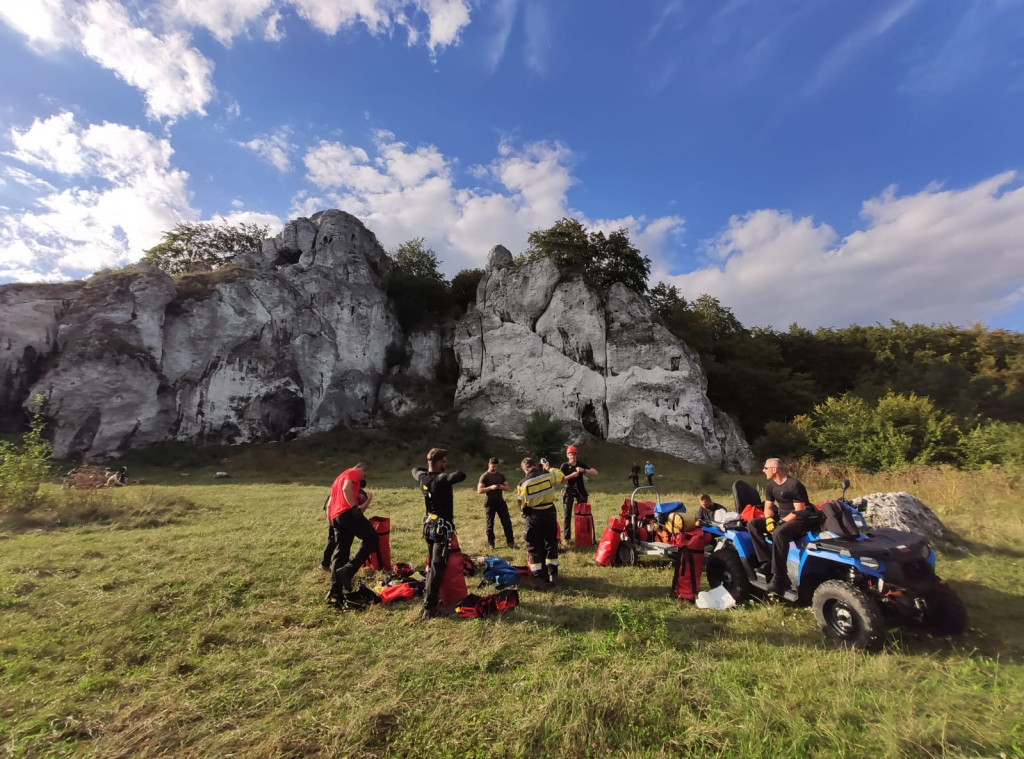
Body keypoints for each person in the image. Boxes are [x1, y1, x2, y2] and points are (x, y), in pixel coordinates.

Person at [747, 458, 814, 596]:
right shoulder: (771, 486)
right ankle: (767, 561)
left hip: (799, 520)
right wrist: (769, 520)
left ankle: (780, 577)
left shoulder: (794, 484)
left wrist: (782, 522)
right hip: (782, 518)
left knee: (779, 532)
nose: (763, 470)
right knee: (752, 524)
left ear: (774, 469)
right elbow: (768, 507)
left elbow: (798, 510)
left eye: (766, 468)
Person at [413, 448, 467, 619]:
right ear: (438, 462)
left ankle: (432, 597)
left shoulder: (422, 478)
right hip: (441, 530)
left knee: (432, 565)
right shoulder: (441, 480)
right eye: (444, 462)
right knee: (437, 566)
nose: (446, 464)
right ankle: (430, 607)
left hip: (430, 527)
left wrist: (429, 469)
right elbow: (460, 475)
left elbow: (415, 469)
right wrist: (442, 474)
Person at [325, 462, 376, 607]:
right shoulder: (353, 473)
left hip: (336, 517)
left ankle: (335, 593)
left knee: (341, 553)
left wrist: (330, 519)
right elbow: (346, 488)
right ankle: (349, 570)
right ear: (362, 470)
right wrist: (354, 507)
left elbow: (331, 501)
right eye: (365, 475)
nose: (363, 479)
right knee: (372, 538)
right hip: (346, 513)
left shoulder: (338, 478)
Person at [517, 457, 564, 587]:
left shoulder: (523, 483)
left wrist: (525, 515)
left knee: (534, 545)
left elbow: (521, 505)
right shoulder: (548, 475)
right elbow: (561, 476)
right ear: (535, 465)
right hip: (550, 513)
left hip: (534, 516)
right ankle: (553, 575)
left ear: (526, 469)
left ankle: (538, 578)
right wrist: (547, 467)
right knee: (551, 543)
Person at [559, 445, 597, 546]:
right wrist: (572, 475)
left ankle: (583, 536)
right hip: (568, 491)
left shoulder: (580, 464)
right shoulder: (564, 466)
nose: (573, 456)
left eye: (574, 454)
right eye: (571, 455)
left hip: (580, 491)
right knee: (567, 515)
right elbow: (560, 481)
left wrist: (583, 470)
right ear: (567, 455)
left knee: (583, 514)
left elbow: (595, 472)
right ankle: (566, 538)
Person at [478, 457, 515, 550]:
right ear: (489, 464)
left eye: (495, 466)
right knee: (490, 523)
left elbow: (507, 487)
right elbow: (479, 490)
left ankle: (510, 542)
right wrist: (491, 488)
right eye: (492, 465)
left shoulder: (500, 476)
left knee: (507, 522)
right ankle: (491, 543)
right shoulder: (484, 476)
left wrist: (501, 487)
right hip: (490, 501)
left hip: (500, 501)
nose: (493, 467)